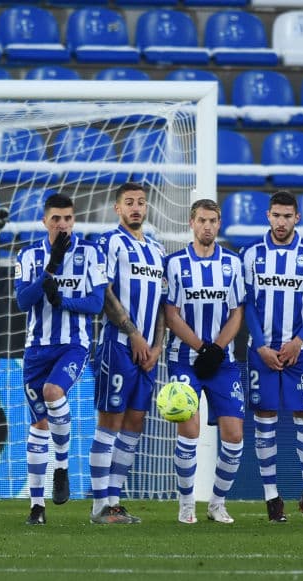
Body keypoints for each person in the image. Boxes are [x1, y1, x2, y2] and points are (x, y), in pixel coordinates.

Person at [15, 193, 106, 525]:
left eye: (68, 218)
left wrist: (63, 300)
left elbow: (96, 304)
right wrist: (49, 270)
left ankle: (63, 468)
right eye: (56, 219)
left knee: (54, 392)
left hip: (74, 345)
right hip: (36, 350)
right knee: (38, 426)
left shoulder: (90, 253)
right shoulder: (29, 255)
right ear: (45, 221)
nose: (63, 224)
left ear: (74, 219)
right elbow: (23, 301)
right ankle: (37, 507)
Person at [241, 191, 303, 523]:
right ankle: (272, 498)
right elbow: (246, 303)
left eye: (287, 216)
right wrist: (263, 346)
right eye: (276, 215)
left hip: (300, 353)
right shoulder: (250, 254)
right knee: (264, 423)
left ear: (297, 218)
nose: (281, 222)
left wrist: (298, 340)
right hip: (261, 352)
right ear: (268, 216)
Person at [163, 199, 246, 524]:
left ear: (219, 224)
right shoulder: (175, 263)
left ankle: (217, 503)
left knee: (235, 435)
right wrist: (201, 347)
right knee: (190, 431)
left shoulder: (233, 263)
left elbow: (237, 312)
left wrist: (217, 349)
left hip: (223, 362)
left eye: (213, 220)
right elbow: (171, 315)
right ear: (191, 223)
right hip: (184, 360)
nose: (207, 226)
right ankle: (186, 504)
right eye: (202, 220)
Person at [88, 183, 166, 524]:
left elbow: (164, 304)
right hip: (118, 346)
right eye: (129, 203)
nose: (137, 208)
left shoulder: (158, 250)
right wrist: (133, 333)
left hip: (147, 353)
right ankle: (99, 505)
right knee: (111, 421)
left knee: (135, 422)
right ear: (117, 208)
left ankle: (114, 501)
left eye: (141, 203)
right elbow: (103, 291)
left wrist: (157, 346)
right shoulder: (108, 243)